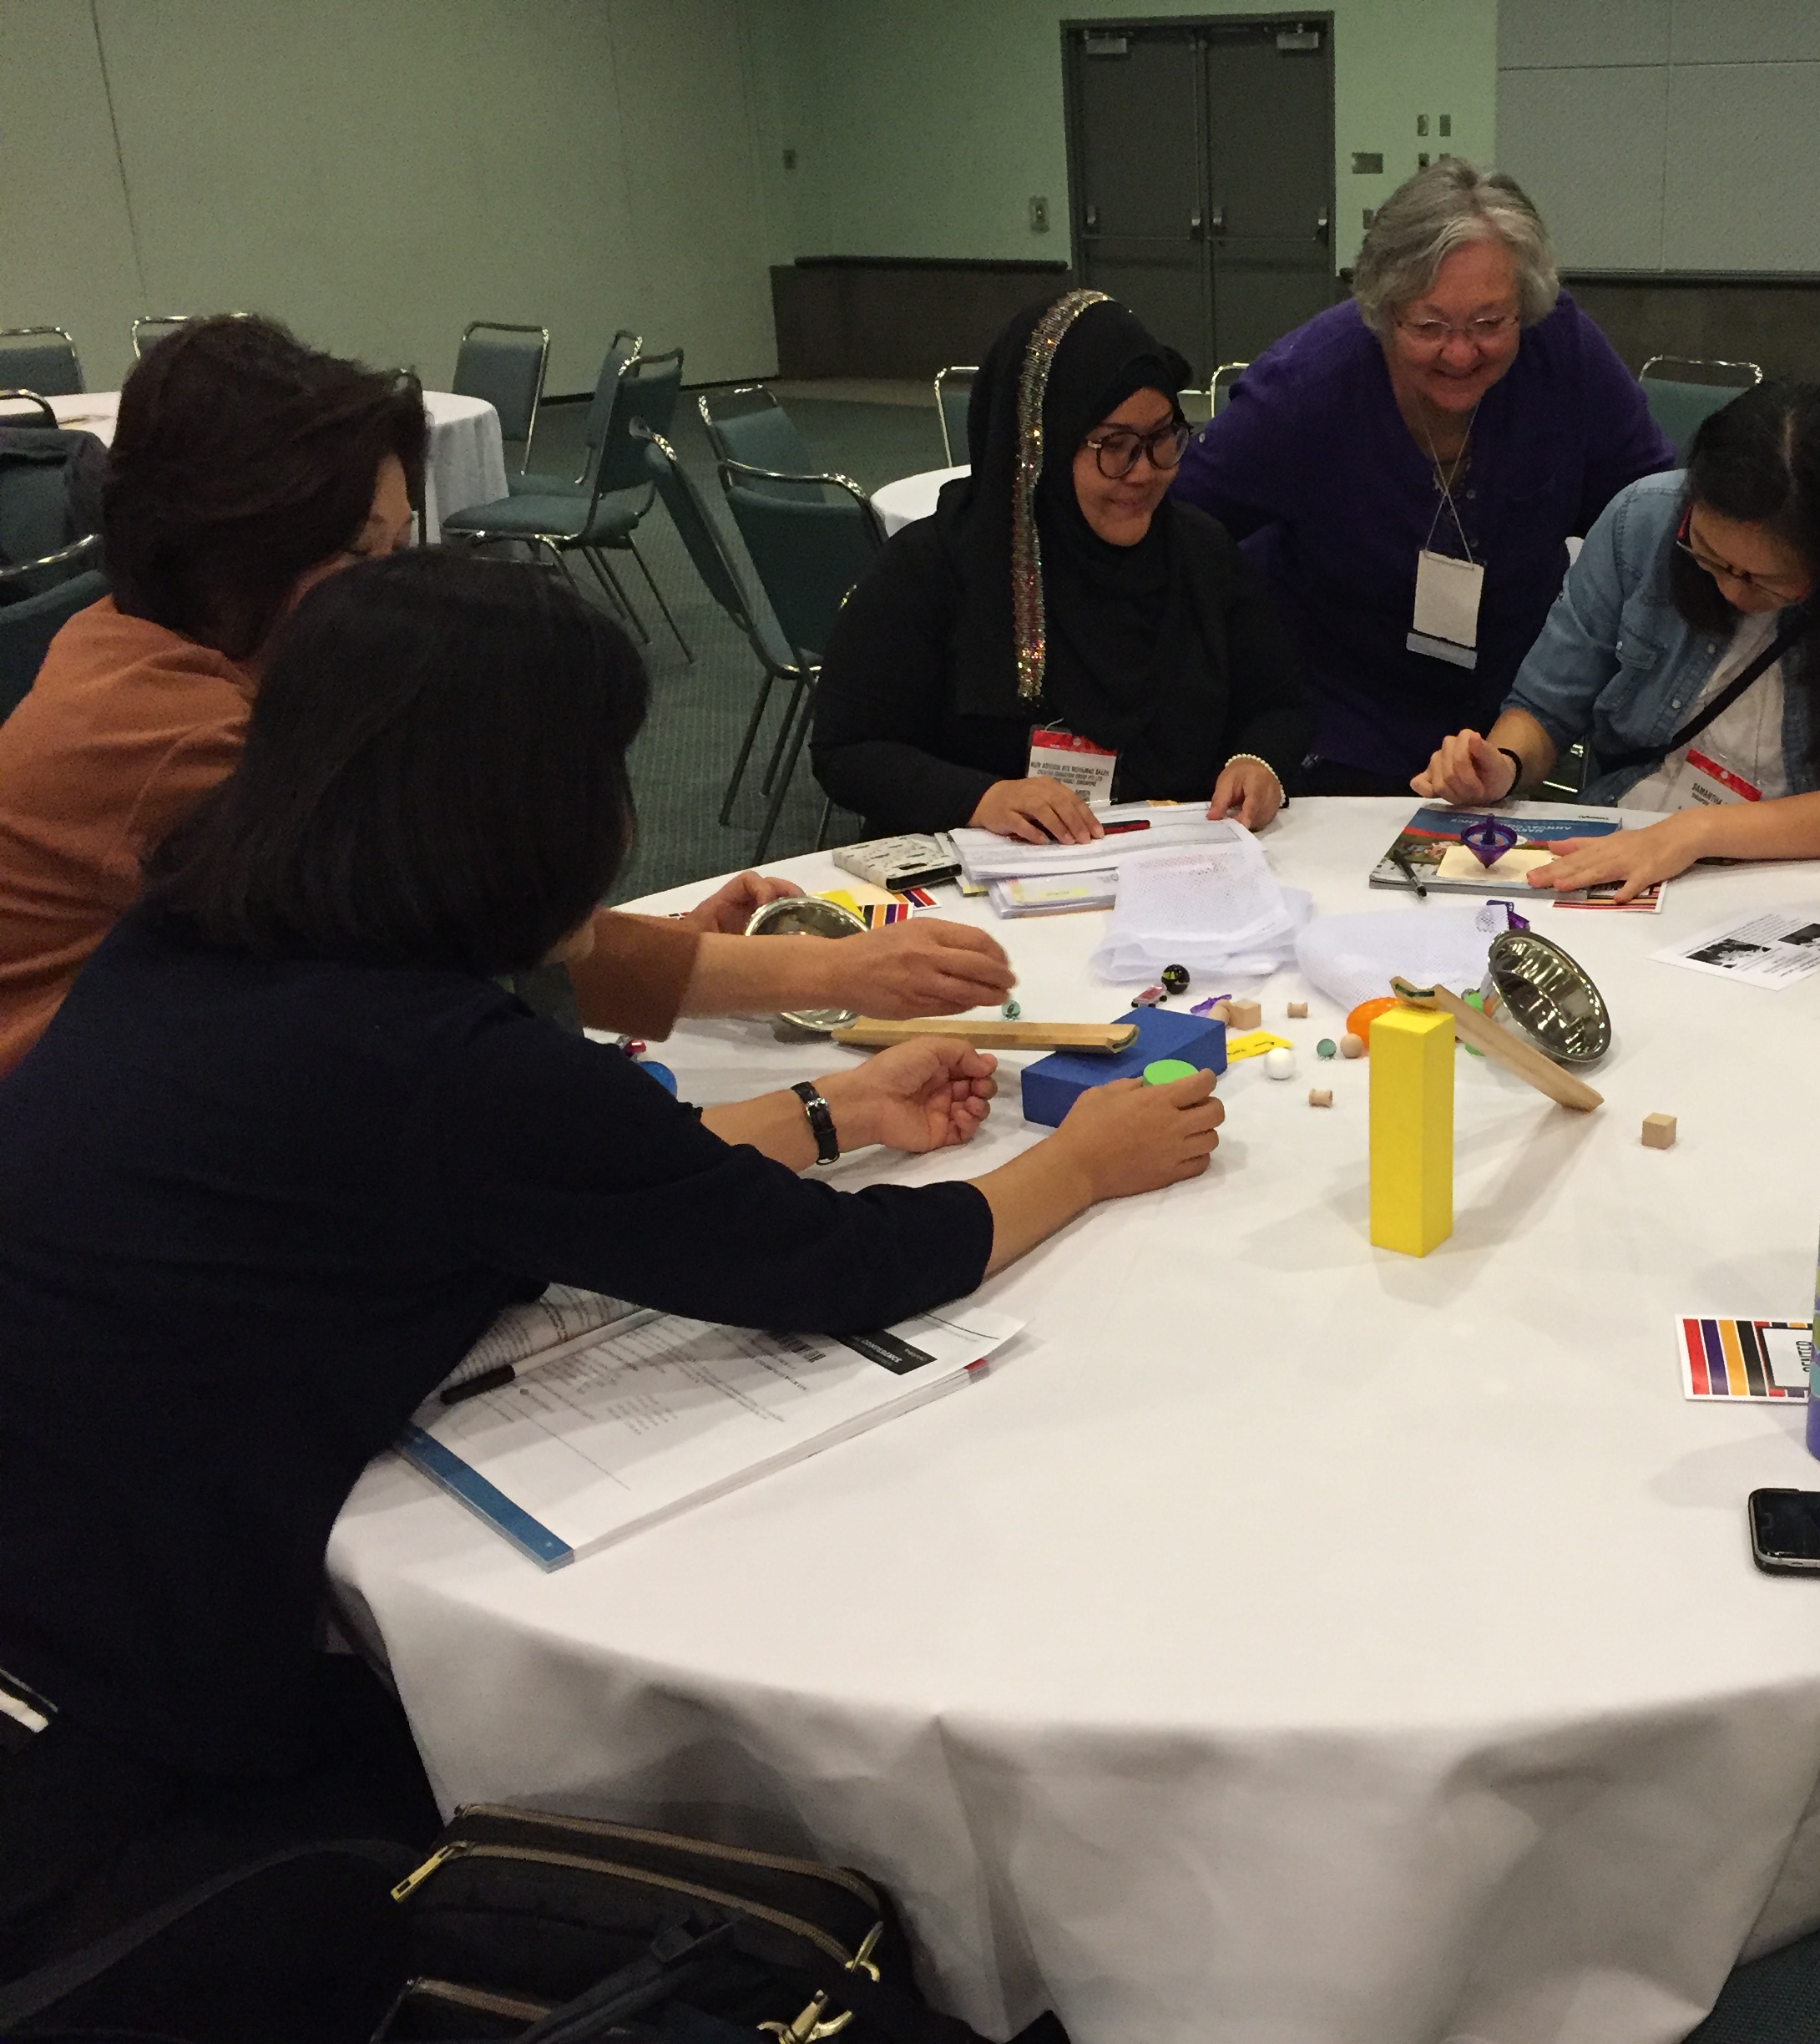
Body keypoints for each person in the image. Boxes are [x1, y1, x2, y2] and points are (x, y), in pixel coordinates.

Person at [0, 551, 1223, 1975]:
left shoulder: (203, 935)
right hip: (122, 1716)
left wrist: (840, 1108)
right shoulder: (440, 1063)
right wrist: (1078, 1160)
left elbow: (586, 1187)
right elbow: (827, 1265)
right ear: (519, 810)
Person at [0, 315, 1013, 1080]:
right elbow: (454, 960)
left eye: (403, 547)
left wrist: (670, 951)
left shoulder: (150, 644)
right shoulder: (188, 746)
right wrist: (828, 982)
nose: (396, 588)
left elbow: (474, 937)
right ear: (235, 549)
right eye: (363, 555)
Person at [1174, 158, 1675, 795]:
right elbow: (1186, 527)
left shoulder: (1563, 355)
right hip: (1338, 721)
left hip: (1512, 722)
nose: (1461, 353)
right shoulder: (1307, 389)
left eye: (1490, 324)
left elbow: (1650, 514)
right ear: (1382, 310)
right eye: (1429, 326)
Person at [1410, 380, 1820, 896]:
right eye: (1708, 557)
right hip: (1632, 829)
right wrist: (1503, 763)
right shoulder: (1643, 518)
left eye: (1765, 581)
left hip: (1798, 865)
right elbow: (1545, 706)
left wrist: (1697, 831)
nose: (1731, 593)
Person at [811, 290, 1312, 844]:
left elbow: (1281, 703)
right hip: (986, 874)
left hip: (1173, 866)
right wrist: (982, 797)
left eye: (1163, 438)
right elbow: (850, 751)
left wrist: (1258, 761)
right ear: (1039, 451)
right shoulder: (935, 567)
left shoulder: (1199, 554)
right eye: (1113, 445)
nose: (1145, 472)